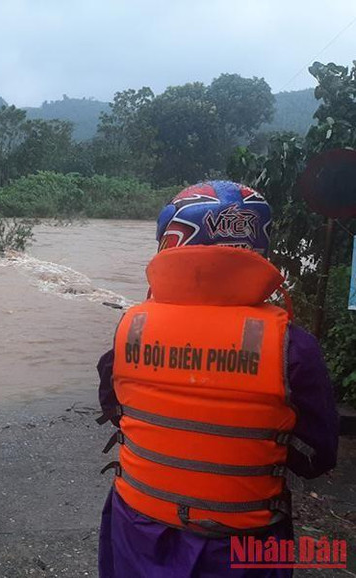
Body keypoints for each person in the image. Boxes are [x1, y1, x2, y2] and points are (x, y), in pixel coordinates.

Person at [96, 181, 339, 577]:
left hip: (138, 527)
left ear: (171, 242)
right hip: (245, 544)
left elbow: (114, 407)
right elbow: (317, 456)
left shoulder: (131, 328)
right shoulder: (293, 346)